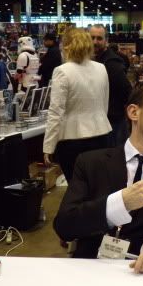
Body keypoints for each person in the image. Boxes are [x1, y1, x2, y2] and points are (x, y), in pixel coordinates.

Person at [54, 81, 143, 273]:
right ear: (133, 112)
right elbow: (64, 226)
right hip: (90, 273)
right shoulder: (91, 163)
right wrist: (119, 203)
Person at [43, 28, 111, 182]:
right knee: (97, 185)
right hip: (101, 134)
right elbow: (104, 104)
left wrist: (48, 146)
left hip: (73, 139)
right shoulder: (101, 68)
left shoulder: (62, 71)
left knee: (77, 187)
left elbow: (56, 112)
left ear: (66, 46)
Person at [90, 24, 132, 146]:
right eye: (92, 38)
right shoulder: (94, 59)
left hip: (113, 123)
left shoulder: (112, 63)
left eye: (99, 38)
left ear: (106, 41)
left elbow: (126, 91)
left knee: (113, 155)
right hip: (99, 121)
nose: (95, 42)